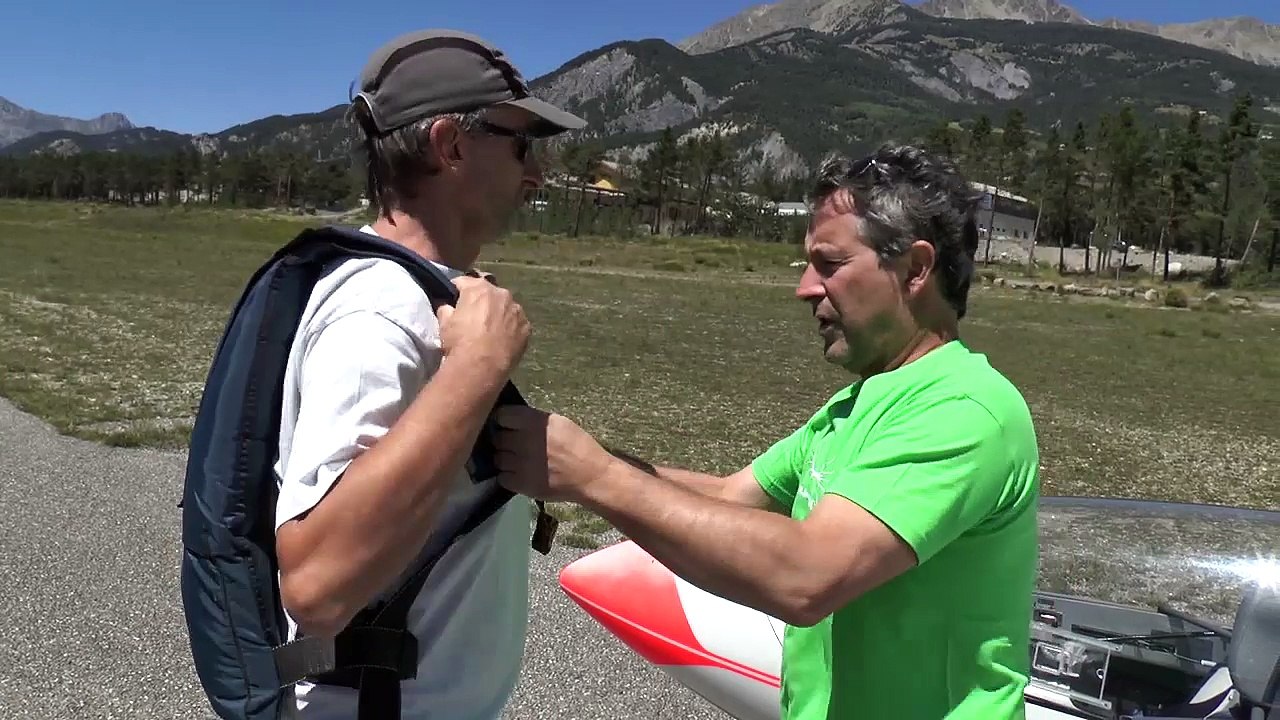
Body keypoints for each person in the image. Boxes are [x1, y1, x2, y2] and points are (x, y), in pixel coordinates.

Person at [484, 144, 1041, 719]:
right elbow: (731, 497)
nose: (804, 287)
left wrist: (595, 477)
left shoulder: (963, 409)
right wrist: (570, 454)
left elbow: (805, 577)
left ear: (915, 269)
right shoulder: (862, 402)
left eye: (829, 264)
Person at [271, 29, 585, 719]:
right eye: (522, 144)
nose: (536, 173)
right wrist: (478, 368)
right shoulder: (379, 313)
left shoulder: (417, 293)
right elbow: (317, 585)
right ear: (451, 145)